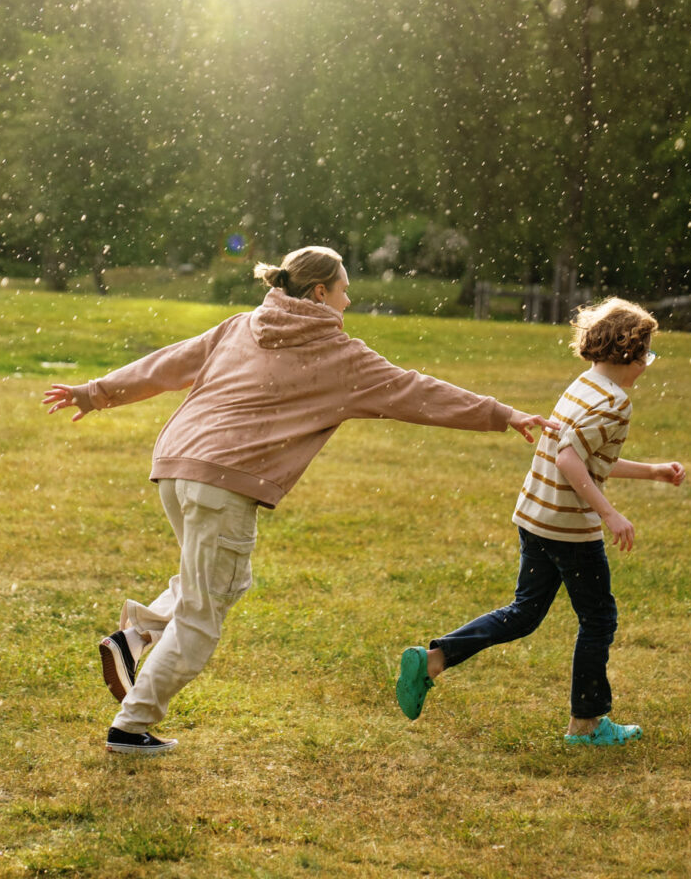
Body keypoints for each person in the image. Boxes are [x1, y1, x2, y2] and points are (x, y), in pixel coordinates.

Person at [43, 245, 558, 756]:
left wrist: (96, 392)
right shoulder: (340, 356)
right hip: (223, 482)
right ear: (319, 292)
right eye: (344, 289)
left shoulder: (243, 325)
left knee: (219, 581)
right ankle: (131, 726)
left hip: (178, 467)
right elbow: (416, 392)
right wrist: (501, 414)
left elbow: (169, 363)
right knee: (203, 613)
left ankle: (136, 639)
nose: (348, 301)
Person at [396, 296, 685, 744]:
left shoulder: (585, 384)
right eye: (646, 354)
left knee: (525, 612)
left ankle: (434, 658)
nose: (647, 364)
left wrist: (653, 471)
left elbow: (585, 456)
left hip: (535, 516)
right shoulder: (617, 402)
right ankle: (587, 725)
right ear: (629, 353)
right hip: (569, 528)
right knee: (598, 619)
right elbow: (571, 458)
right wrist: (608, 514)